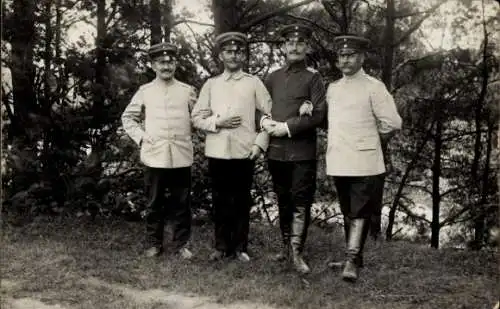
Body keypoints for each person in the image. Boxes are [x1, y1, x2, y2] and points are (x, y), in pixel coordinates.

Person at [324, 35, 402, 281]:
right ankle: (353, 257)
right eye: (342, 56)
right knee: (348, 210)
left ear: (361, 57)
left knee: (359, 211)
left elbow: (393, 122)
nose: (345, 60)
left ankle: (351, 262)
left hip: (365, 161)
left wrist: (371, 141)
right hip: (339, 158)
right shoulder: (333, 88)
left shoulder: (374, 86)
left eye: (350, 55)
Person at [191, 31, 272, 262]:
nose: (234, 55)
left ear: (244, 55)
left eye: (238, 51)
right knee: (219, 199)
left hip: (244, 150)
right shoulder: (211, 84)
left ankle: (240, 247)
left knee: (241, 199)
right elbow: (196, 118)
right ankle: (221, 246)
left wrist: (260, 143)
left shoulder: (253, 83)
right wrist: (218, 122)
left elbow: (270, 114)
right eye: (229, 51)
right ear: (220, 56)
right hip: (217, 150)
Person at [121, 42, 199, 259]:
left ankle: (181, 244)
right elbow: (128, 118)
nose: (167, 66)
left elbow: (198, 117)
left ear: (175, 64)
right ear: (153, 65)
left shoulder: (187, 91)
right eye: (161, 62)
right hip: (155, 156)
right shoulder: (145, 92)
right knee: (154, 202)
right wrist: (142, 137)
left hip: (181, 155)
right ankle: (154, 244)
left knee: (182, 202)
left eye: (170, 61)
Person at [260, 24, 327, 274]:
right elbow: (262, 106)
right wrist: (264, 122)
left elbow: (318, 114)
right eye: (290, 43)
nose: (295, 47)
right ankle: (285, 247)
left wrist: (287, 127)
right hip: (276, 151)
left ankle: (297, 252)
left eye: (300, 43)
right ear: (284, 47)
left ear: (307, 47)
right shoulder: (273, 77)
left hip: (302, 152)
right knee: (283, 199)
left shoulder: (314, 78)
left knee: (300, 201)